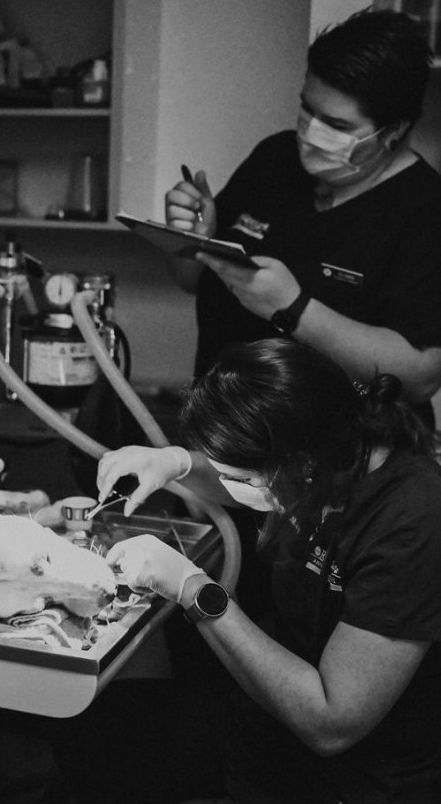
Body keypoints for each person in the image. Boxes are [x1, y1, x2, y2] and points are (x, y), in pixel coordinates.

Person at [92, 338, 441, 803]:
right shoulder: (322, 459)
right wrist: (176, 462)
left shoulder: (411, 521)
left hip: (358, 774)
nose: (229, 485)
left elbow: (331, 723)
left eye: (239, 478)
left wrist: (194, 588)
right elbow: (248, 478)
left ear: (301, 467)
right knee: (96, 736)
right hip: (267, 728)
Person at [165, 8, 441, 430]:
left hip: (338, 467)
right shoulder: (273, 158)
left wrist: (293, 309)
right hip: (223, 439)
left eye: (335, 124)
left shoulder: (423, 208)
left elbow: (419, 379)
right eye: (307, 109)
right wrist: (192, 240)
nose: (310, 134)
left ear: (393, 131)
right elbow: (192, 279)